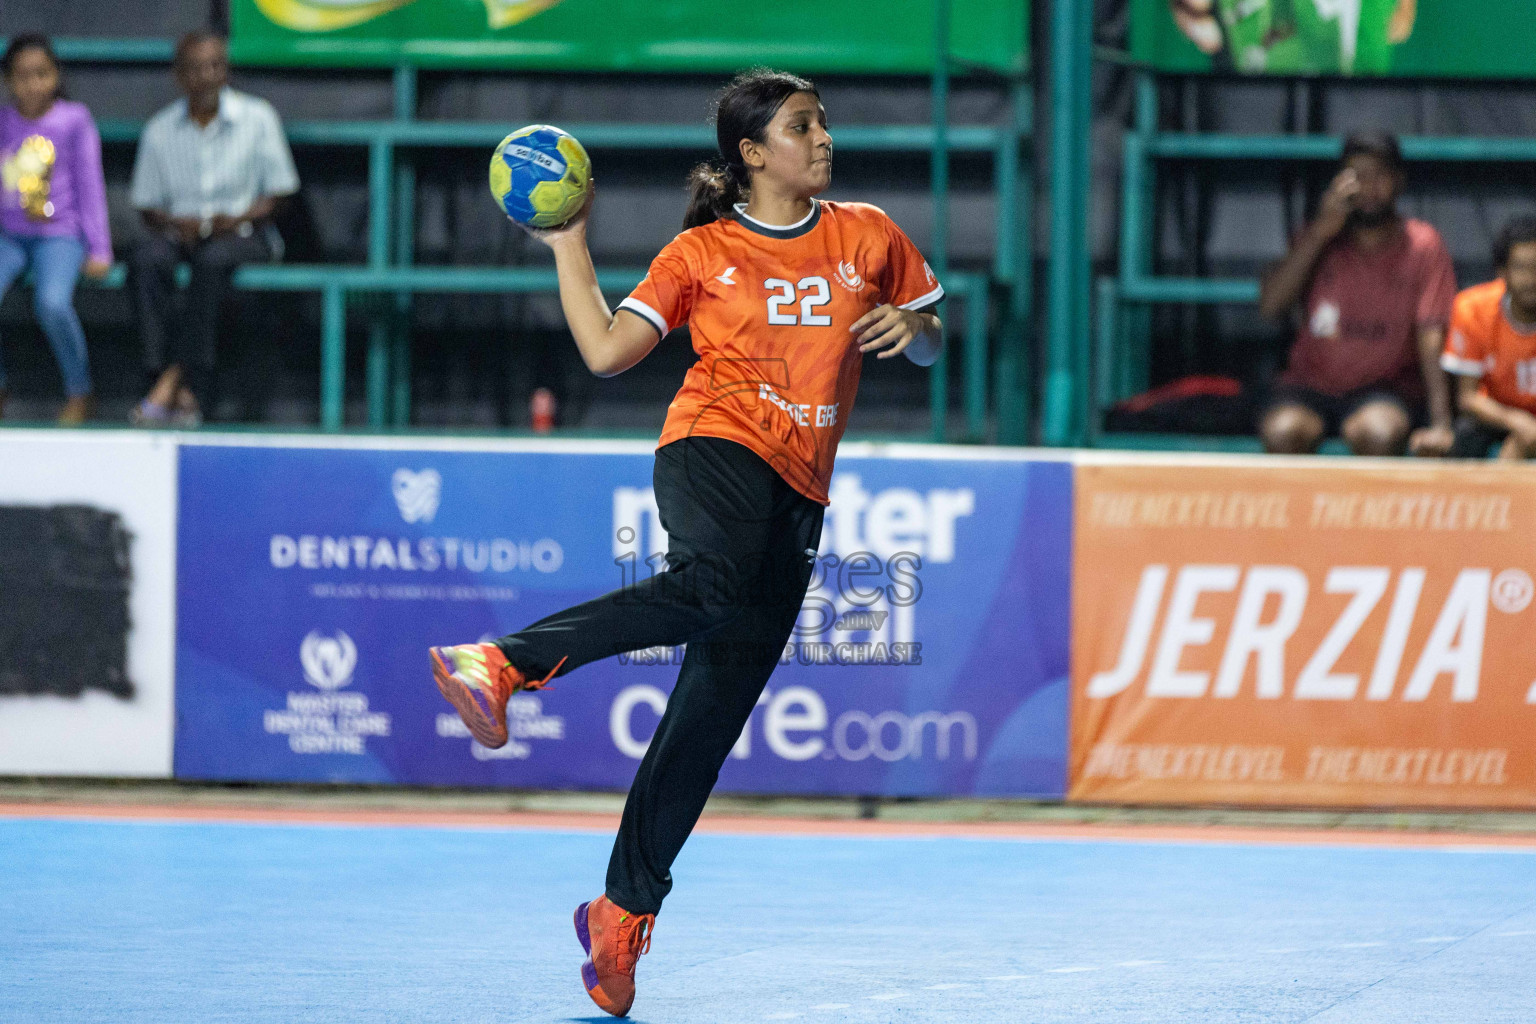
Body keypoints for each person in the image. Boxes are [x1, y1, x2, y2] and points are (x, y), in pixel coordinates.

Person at [428, 70, 943, 1018]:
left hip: (800, 492)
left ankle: (620, 913)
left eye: (822, 123)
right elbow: (605, 351)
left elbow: (933, 340)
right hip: (712, 445)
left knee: (712, 708)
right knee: (708, 583)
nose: (823, 138)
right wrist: (570, 244)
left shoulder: (868, 235)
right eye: (801, 127)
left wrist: (912, 326)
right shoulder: (702, 253)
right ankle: (500, 660)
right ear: (753, 154)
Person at [128, 31, 297, 426]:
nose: (207, 76)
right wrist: (175, 223)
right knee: (145, 259)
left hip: (244, 232)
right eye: (196, 68)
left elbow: (281, 194)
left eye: (215, 66)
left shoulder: (258, 118)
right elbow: (147, 206)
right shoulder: (159, 130)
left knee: (213, 261)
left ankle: (177, 382)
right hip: (181, 232)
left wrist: (236, 219)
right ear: (178, 76)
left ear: (227, 71)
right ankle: (167, 378)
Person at [1257, 131, 1457, 457]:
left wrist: (1441, 424)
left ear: (1399, 182)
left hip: (1384, 389)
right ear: (1340, 183)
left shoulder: (1423, 244)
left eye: (1380, 175)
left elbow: (1431, 336)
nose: (1369, 187)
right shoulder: (1319, 235)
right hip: (1309, 385)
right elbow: (1271, 306)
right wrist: (1320, 233)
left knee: (1379, 433)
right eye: (1358, 176)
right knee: (1283, 431)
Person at [0, 35, 111, 424]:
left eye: (41, 74)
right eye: (22, 76)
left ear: (56, 76)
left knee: (51, 303)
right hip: (8, 236)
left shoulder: (74, 120)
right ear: (8, 80)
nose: (32, 84)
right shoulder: (2, 122)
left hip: (59, 234)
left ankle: (80, 391)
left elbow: (90, 184)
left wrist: (99, 248)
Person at [1441, 217, 1536, 460]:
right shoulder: (1472, 308)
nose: (1532, 279)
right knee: (1464, 435)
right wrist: (1516, 421)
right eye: (1522, 267)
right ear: (1502, 272)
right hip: (1496, 414)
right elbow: (1467, 397)